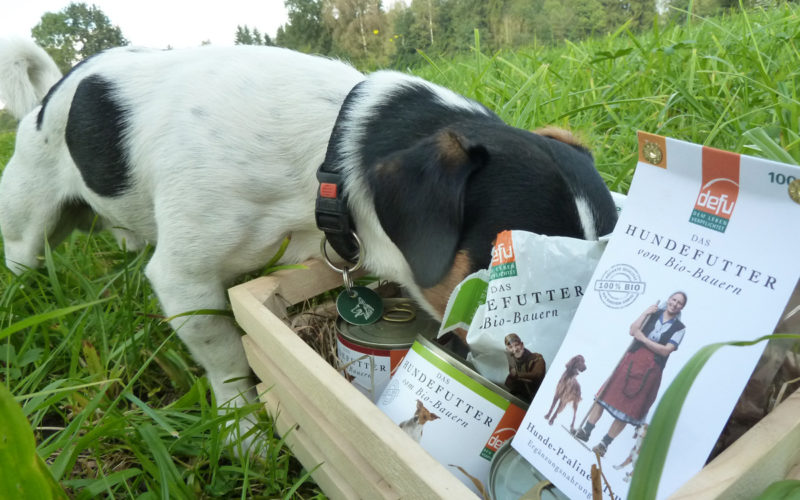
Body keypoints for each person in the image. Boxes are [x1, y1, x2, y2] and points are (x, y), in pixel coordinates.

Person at [574, 291, 688, 456]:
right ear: (669, 299)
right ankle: (585, 431)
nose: (675, 304)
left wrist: (643, 339)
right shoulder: (652, 313)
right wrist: (645, 313)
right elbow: (632, 330)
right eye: (674, 299)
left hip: (650, 371)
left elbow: (665, 351)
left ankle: (604, 445)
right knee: (604, 396)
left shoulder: (680, 329)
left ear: (682, 307)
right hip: (631, 361)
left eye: (679, 303)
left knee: (627, 410)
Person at [504, 333, 546, 402]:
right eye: (510, 347)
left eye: (516, 345)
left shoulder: (537, 358)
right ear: (508, 350)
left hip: (538, 400)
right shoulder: (511, 360)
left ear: (522, 345)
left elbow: (538, 374)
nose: (515, 349)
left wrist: (517, 375)